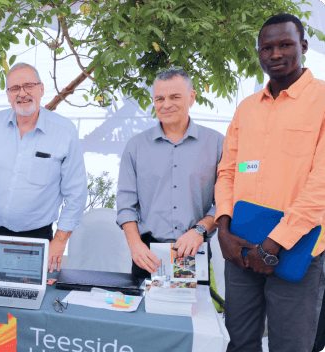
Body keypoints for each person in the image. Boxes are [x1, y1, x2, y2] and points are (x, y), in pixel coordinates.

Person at [214, 14, 325, 352]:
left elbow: (320, 187)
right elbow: (227, 171)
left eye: (286, 45)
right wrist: (222, 228)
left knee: (290, 346)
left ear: (303, 46)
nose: (275, 54)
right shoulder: (246, 109)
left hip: (296, 252)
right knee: (241, 342)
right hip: (240, 249)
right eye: (267, 47)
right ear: (259, 52)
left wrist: (273, 246)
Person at [0, 62, 87, 273]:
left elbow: (77, 193)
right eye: (15, 88)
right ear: (8, 94)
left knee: (29, 299)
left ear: (41, 89)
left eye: (29, 86)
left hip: (36, 239)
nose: (23, 93)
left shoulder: (64, 132)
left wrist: (60, 239)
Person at [116, 68, 224, 279]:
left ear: (191, 97)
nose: (166, 104)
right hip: (146, 254)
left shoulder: (217, 143)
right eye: (159, 98)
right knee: (145, 311)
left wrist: (200, 230)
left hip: (193, 249)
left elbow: (225, 200)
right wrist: (135, 245)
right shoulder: (135, 146)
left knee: (189, 311)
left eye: (175, 97)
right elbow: (125, 205)